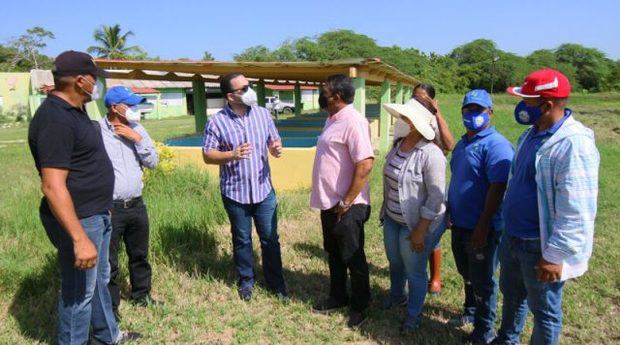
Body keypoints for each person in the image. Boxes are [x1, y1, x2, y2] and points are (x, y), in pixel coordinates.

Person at [27, 50, 139, 344]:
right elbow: (52, 186)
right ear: (80, 81)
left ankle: (107, 336)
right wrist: (79, 238)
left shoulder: (75, 111)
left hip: (96, 213)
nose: (97, 85)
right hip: (78, 219)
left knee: (99, 282)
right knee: (79, 293)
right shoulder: (55, 120)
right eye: (94, 79)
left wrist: (104, 207)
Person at [493, 69, 599, 345]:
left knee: (545, 311)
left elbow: (577, 209)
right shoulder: (531, 134)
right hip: (513, 236)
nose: (522, 105)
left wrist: (555, 255)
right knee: (512, 296)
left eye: (527, 100)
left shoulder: (574, 144)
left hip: (538, 245)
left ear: (547, 104)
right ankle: (507, 338)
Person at [202, 73, 287, 302]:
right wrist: (232, 154)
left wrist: (276, 148)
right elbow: (208, 155)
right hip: (235, 192)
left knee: (270, 238)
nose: (250, 91)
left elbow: (273, 140)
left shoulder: (262, 114)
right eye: (245, 88)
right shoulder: (216, 121)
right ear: (231, 95)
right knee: (242, 239)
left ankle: (276, 284)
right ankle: (246, 281)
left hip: (263, 190)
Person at [447, 89, 514, 344]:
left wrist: (483, 226)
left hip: (482, 228)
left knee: (484, 281)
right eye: (468, 110)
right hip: (460, 224)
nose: (472, 114)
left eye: (479, 110)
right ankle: (470, 311)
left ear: (490, 113)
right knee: (467, 274)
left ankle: (483, 331)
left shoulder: (496, 145)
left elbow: (498, 189)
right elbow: (459, 179)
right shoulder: (463, 144)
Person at [310, 74, 374, 329]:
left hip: (347, 205)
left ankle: (360, 305)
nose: (321, 93)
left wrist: (347, 201)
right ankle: (338, 296)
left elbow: (366, 163)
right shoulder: (332, 119)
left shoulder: (353, 121)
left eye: (324, 90)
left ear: (336, 96)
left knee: (353, 256)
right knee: (334, 254)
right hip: (330, 203)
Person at [379, 98, 447, 333]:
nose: (401, 121)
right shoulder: (399, 144)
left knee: (415, 270)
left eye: (406, 118)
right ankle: (397, 295)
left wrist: (420, 230)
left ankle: (413, 314)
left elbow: (436, 197)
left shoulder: (431, 154)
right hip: (392, 218)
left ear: (417, 124)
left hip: (416, 223)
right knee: (395, 262)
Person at [100, 86, 160, 321]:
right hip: (110, 208)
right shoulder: (97, 131)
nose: (134, 109)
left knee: (139, 255)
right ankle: (111, 309)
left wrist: (137, 140)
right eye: (130, 104)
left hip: (136, 205)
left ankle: (141, 295)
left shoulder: (138, 129)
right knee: (109, 263)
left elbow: (153, 161)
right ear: (115, 108)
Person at [411, 83, 455, 294]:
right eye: (415, 97)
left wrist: (437, 114)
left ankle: (435, 277)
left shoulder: (435, 120)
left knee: (431, 230)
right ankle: (416, 272)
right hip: (413, 178)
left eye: (423, 98)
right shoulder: (409, 117)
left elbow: (449, 145)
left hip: (432, 178)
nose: (418, 101)